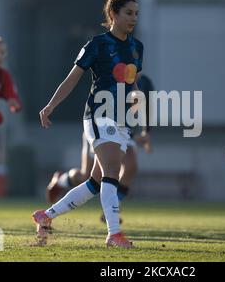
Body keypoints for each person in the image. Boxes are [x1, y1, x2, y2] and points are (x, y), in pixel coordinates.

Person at [33, 0, 146, 248]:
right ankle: (114, 234)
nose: (133, 18)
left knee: (95, 182)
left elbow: (133, 84)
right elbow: (72, 79)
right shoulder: (97, 44)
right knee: (112, 173)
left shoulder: (137, 48)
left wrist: (137, 100)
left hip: (121, 119)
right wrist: (50, 106)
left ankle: (45, 216)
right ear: (114, 15)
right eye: (129, 13)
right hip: (98, 115)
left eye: (136, 14)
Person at [46, 74, 154, 227]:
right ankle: (60, 180)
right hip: (102, 129)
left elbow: (146, 108)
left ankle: (111, 211)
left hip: (124, 131)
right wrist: (139, 136)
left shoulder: (144, 83)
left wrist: (147, 133)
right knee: (86, 177)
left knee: (130, 167)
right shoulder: (112, 75)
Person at [0, 36, 22, 124]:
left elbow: (12, 95)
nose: (0, 56)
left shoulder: (4, 76)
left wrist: (14, 104)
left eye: (2, 53)